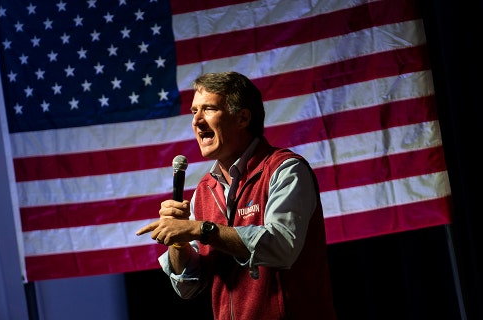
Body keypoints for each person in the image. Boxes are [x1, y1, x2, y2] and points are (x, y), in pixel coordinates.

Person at [136, 71, 337, 319]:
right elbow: (187, 286)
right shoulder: (204, 191)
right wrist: (179, 241)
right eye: (193, 111)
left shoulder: (284, 169)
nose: (196, 121)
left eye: (208, 109)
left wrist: (201, 230)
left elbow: (281, 246)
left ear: (242, 118)